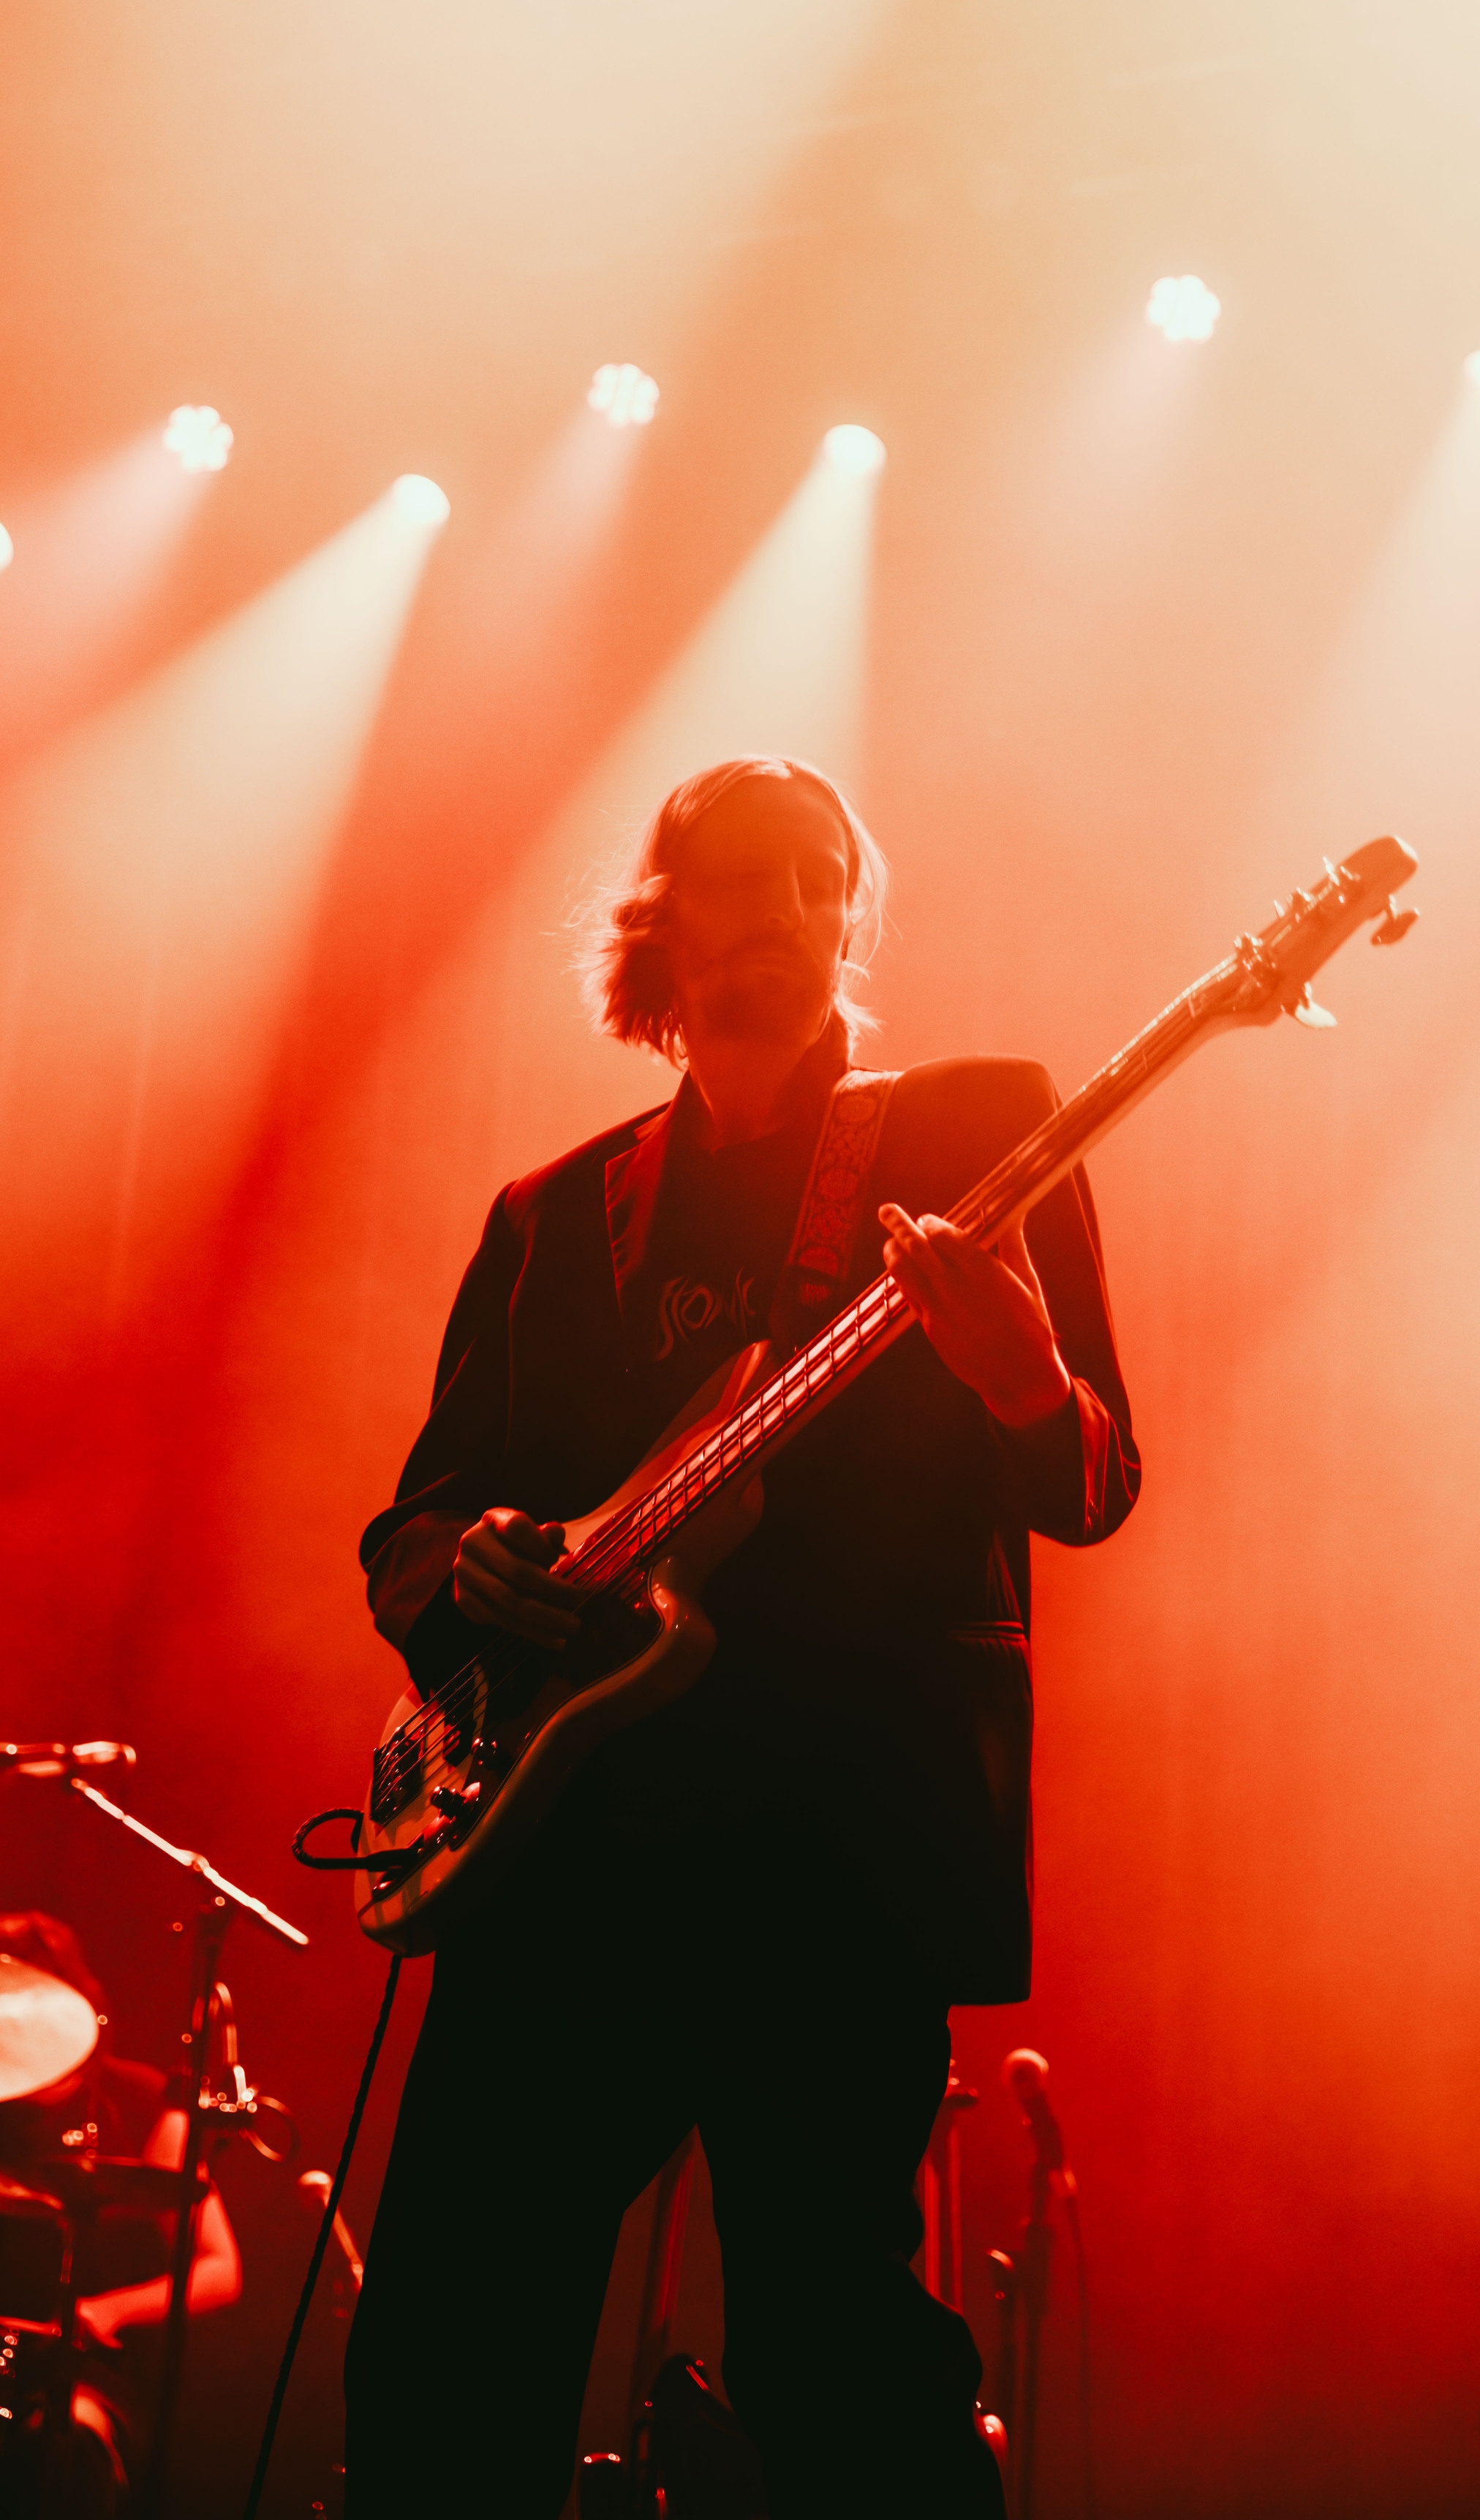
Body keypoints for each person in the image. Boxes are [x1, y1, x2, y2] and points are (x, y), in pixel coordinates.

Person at [345, 756, 1140, 2517]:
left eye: (816, 878)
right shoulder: (553, 1214)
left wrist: (1023, 1382)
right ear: (661, 919)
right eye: (740, 877)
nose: (784, 910)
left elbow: (1096, 1478)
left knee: (835, 2364)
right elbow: (411, 1522)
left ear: (849, 914)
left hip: (829, 1860)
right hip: (561, 1852)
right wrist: (473, 1561)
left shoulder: (969, 1128)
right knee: (445, 2357)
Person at [0, 1913, 241, 2516]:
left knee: (68, 2439)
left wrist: (108, 2309)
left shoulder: (139, 2100)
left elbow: (218, 2268)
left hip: (84, 2370)